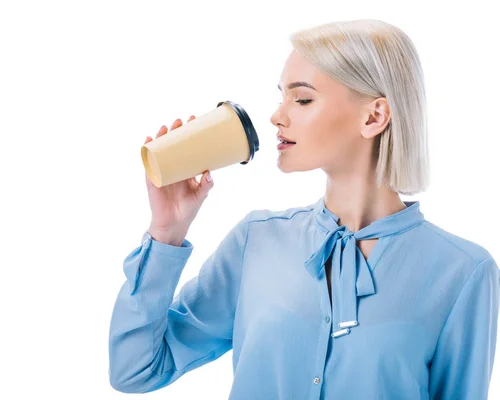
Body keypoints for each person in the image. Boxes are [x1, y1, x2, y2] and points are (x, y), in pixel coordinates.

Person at [108, 19, 500, 399]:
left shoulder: (463, 273)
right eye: (282, 96)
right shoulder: (256, 240)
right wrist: (166, 232)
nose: (277, 116)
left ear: (374, 116)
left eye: (303, 98)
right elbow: (135, 369)